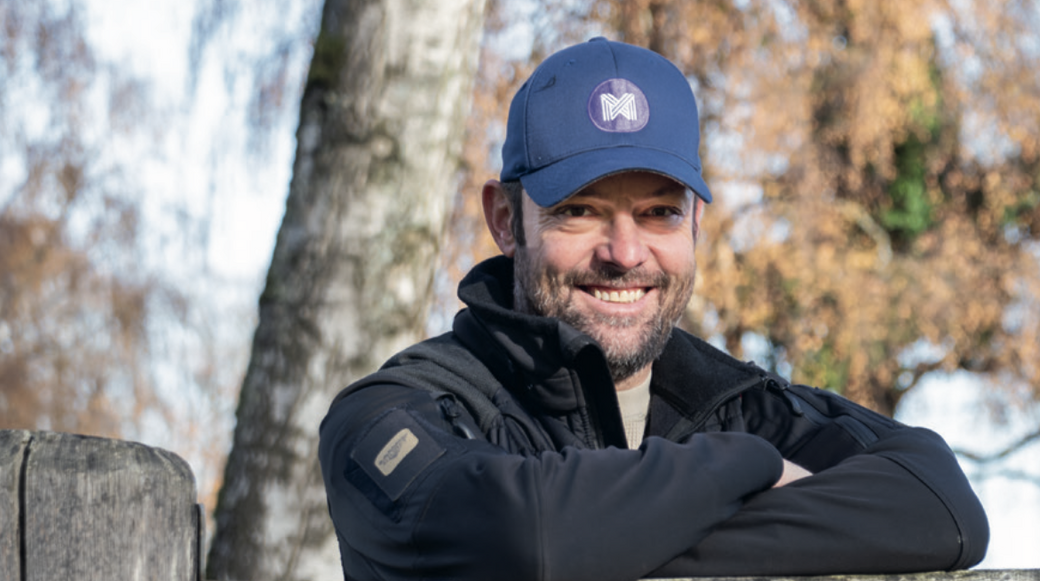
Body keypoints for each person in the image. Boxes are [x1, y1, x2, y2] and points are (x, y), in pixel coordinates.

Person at [318, 37, 989, 581]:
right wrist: (741, 465)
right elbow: (531, 540)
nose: (625, 251)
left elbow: (940, 505)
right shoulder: (391, 414)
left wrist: (617, 543)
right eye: (579, 211)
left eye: (659, 212)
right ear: (504, 219)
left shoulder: (734, 398)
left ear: (695, 223)